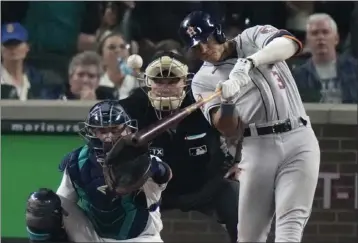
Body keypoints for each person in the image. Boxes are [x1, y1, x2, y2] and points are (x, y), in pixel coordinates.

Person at [179, 11, 320, 242]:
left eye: (206, 40)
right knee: (249, 236)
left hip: (299, 136)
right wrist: (227, 101)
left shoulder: (253, 36)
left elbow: (292, 44)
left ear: (218, 32)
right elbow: (227, 129)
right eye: (195, 46)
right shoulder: (202, 80)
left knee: (291, 225)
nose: (203, 49)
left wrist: (251, 61)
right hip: (257, 146)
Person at [119, 51, 240, 243]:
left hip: (203, 186)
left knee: (235, 195)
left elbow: (240, 128)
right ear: (148, 81)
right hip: (149, 190)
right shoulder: (127, 110)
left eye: (172, 81)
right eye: (159, 81)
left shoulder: (205, 103)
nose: (165, 88)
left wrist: (241, 162)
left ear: (185, 81)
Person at [25, 100, 172, 242]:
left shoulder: (143, 160)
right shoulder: (77, 161)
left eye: (115, 130)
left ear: (128, 129)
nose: (108, 138)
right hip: (93, 237)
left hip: (140, 238)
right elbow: (63, 203)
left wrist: (153, 169)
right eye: (102, 131)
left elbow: (165, 175)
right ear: (91, 132)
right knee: (42, 204)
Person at [292, 13, 358, 104]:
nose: (320, 37)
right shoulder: (298, 76)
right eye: (315, 33)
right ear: (307, 41)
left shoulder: (354, 69)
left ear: (336, 39)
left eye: (325, 32)